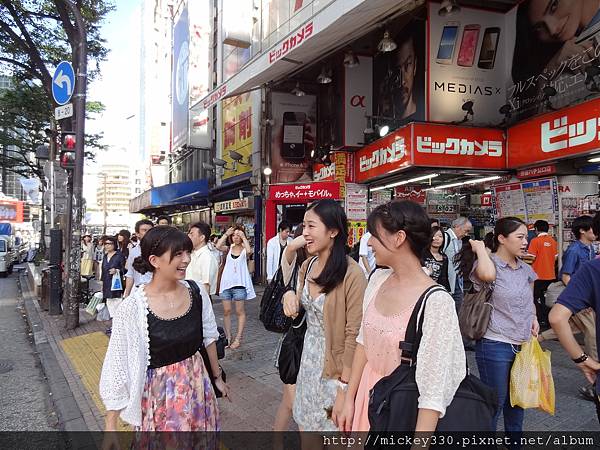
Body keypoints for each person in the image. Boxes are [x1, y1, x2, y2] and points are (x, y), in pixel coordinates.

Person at [337, 200, 465, 432]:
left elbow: (433, 394)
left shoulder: (436, 302)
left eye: (374, 235)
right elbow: (363, 343)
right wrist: (349, 398)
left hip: (400, 409)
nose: (370, 242)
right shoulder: (377, 280)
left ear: (399, 238)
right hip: (368, 397)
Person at [99, 226, 229, 438]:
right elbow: (117, 365)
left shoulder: (196, 292)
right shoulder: (132, 308)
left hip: (198, 389)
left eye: (188, 252)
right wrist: (111, 426)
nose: (186, 259)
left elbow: (209, 337)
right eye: (178, 254)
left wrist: (217, 377)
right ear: (154, 260)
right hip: (158, 398)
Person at [282, 199, 366, 444]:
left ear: (333, 231)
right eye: (303, 226)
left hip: (337, 371)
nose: (304, 233)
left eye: (311, 226)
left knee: (336, 437)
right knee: (307, 434)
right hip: (308, 365)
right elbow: (299, 306)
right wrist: (289, 296)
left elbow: (355, 333)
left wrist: (344, 388)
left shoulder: (352, 274)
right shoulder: (307, 266)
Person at [457, 217, 539, 436]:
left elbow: (529, 299)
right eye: (520, 237)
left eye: (526, 237)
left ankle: (515, 443)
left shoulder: (525, 269)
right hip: (495, 344)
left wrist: (534, 318)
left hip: (522, 344)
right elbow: (488, 275)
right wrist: (481, 249)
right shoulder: (488, 264)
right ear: (502, 238)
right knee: (495, 403)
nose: (525, 242)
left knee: (517, 402)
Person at [512, 0, 600, 118]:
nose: (552, 29)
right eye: (539, 28)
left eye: (554, 6)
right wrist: (550, 70)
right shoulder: (562, 60)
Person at [272, 225, 308, 438]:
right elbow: (289, 250)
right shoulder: (294, 263)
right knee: (298, 407)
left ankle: (276, 439)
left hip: (316, 347)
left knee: (288, 402)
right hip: (295, 345)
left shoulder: (330, 267)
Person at [215, 225, 256, 350]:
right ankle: (228, 337)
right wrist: (226, 234)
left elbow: (249, 251)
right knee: (226, 311)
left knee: (239, 312)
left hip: (239, 285)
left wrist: (244, 237)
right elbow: (217, 246)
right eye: (234, 235)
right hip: (226, 284)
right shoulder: (228, 248)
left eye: (238, 235)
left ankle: (238, 338)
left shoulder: (244, 249)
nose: (236, 237)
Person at [527, 220, 558, 328]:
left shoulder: (535, 241)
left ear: (536, 229)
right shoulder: (553, 241)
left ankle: (541, 319)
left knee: (536, 298)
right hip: (551, 275)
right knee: (548, 298)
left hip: (537, 276)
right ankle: (549, 319)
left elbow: (530, 258)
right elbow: (555, 258)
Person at [443, 217, 473, 312]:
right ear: (457, 227)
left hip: (457, 280)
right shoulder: (445, 238)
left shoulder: (458, 241)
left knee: (458, 306)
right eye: (466, 231)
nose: (466, 234)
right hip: (447, 282)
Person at [561, 215, 597, 286]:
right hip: (578, 290)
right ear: (582, 230)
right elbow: (565, 277)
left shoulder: (590, 247)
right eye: (593, 228)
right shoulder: (574, 250)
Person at [123, 219, 154, 298]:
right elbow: (130, 274)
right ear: (137, 234)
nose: (148, 233)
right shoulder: (133, 252)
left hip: (155, 292)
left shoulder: (160, 251)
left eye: (150, 230)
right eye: (144, 230)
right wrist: (127, 295)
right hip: (138, 291)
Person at [186, 222, 219, 296]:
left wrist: (203, 305)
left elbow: (206, 285)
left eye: (192, 234)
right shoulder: (192, 254)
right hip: (189, 296)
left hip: (199, 297)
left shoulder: (207, 257)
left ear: (202, 238)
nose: (189, 236)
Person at [421, 226, 451, 291]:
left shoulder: (444, 257)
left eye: (440, 236)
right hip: (422, 289)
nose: (437, 239)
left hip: (437, 291)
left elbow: (444, 278)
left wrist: (448, 291)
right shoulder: (422, 254)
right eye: (434, 235)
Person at [101, 236, 126, 301]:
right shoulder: (105, 256)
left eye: (110, 244)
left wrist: (117, 270)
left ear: (114, 244)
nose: (107, 246)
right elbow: (103, 270)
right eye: (106, 244)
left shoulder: (119, 255)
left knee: (115, 302)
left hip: (116, 283)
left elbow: (125, 269)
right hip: (106, 283)